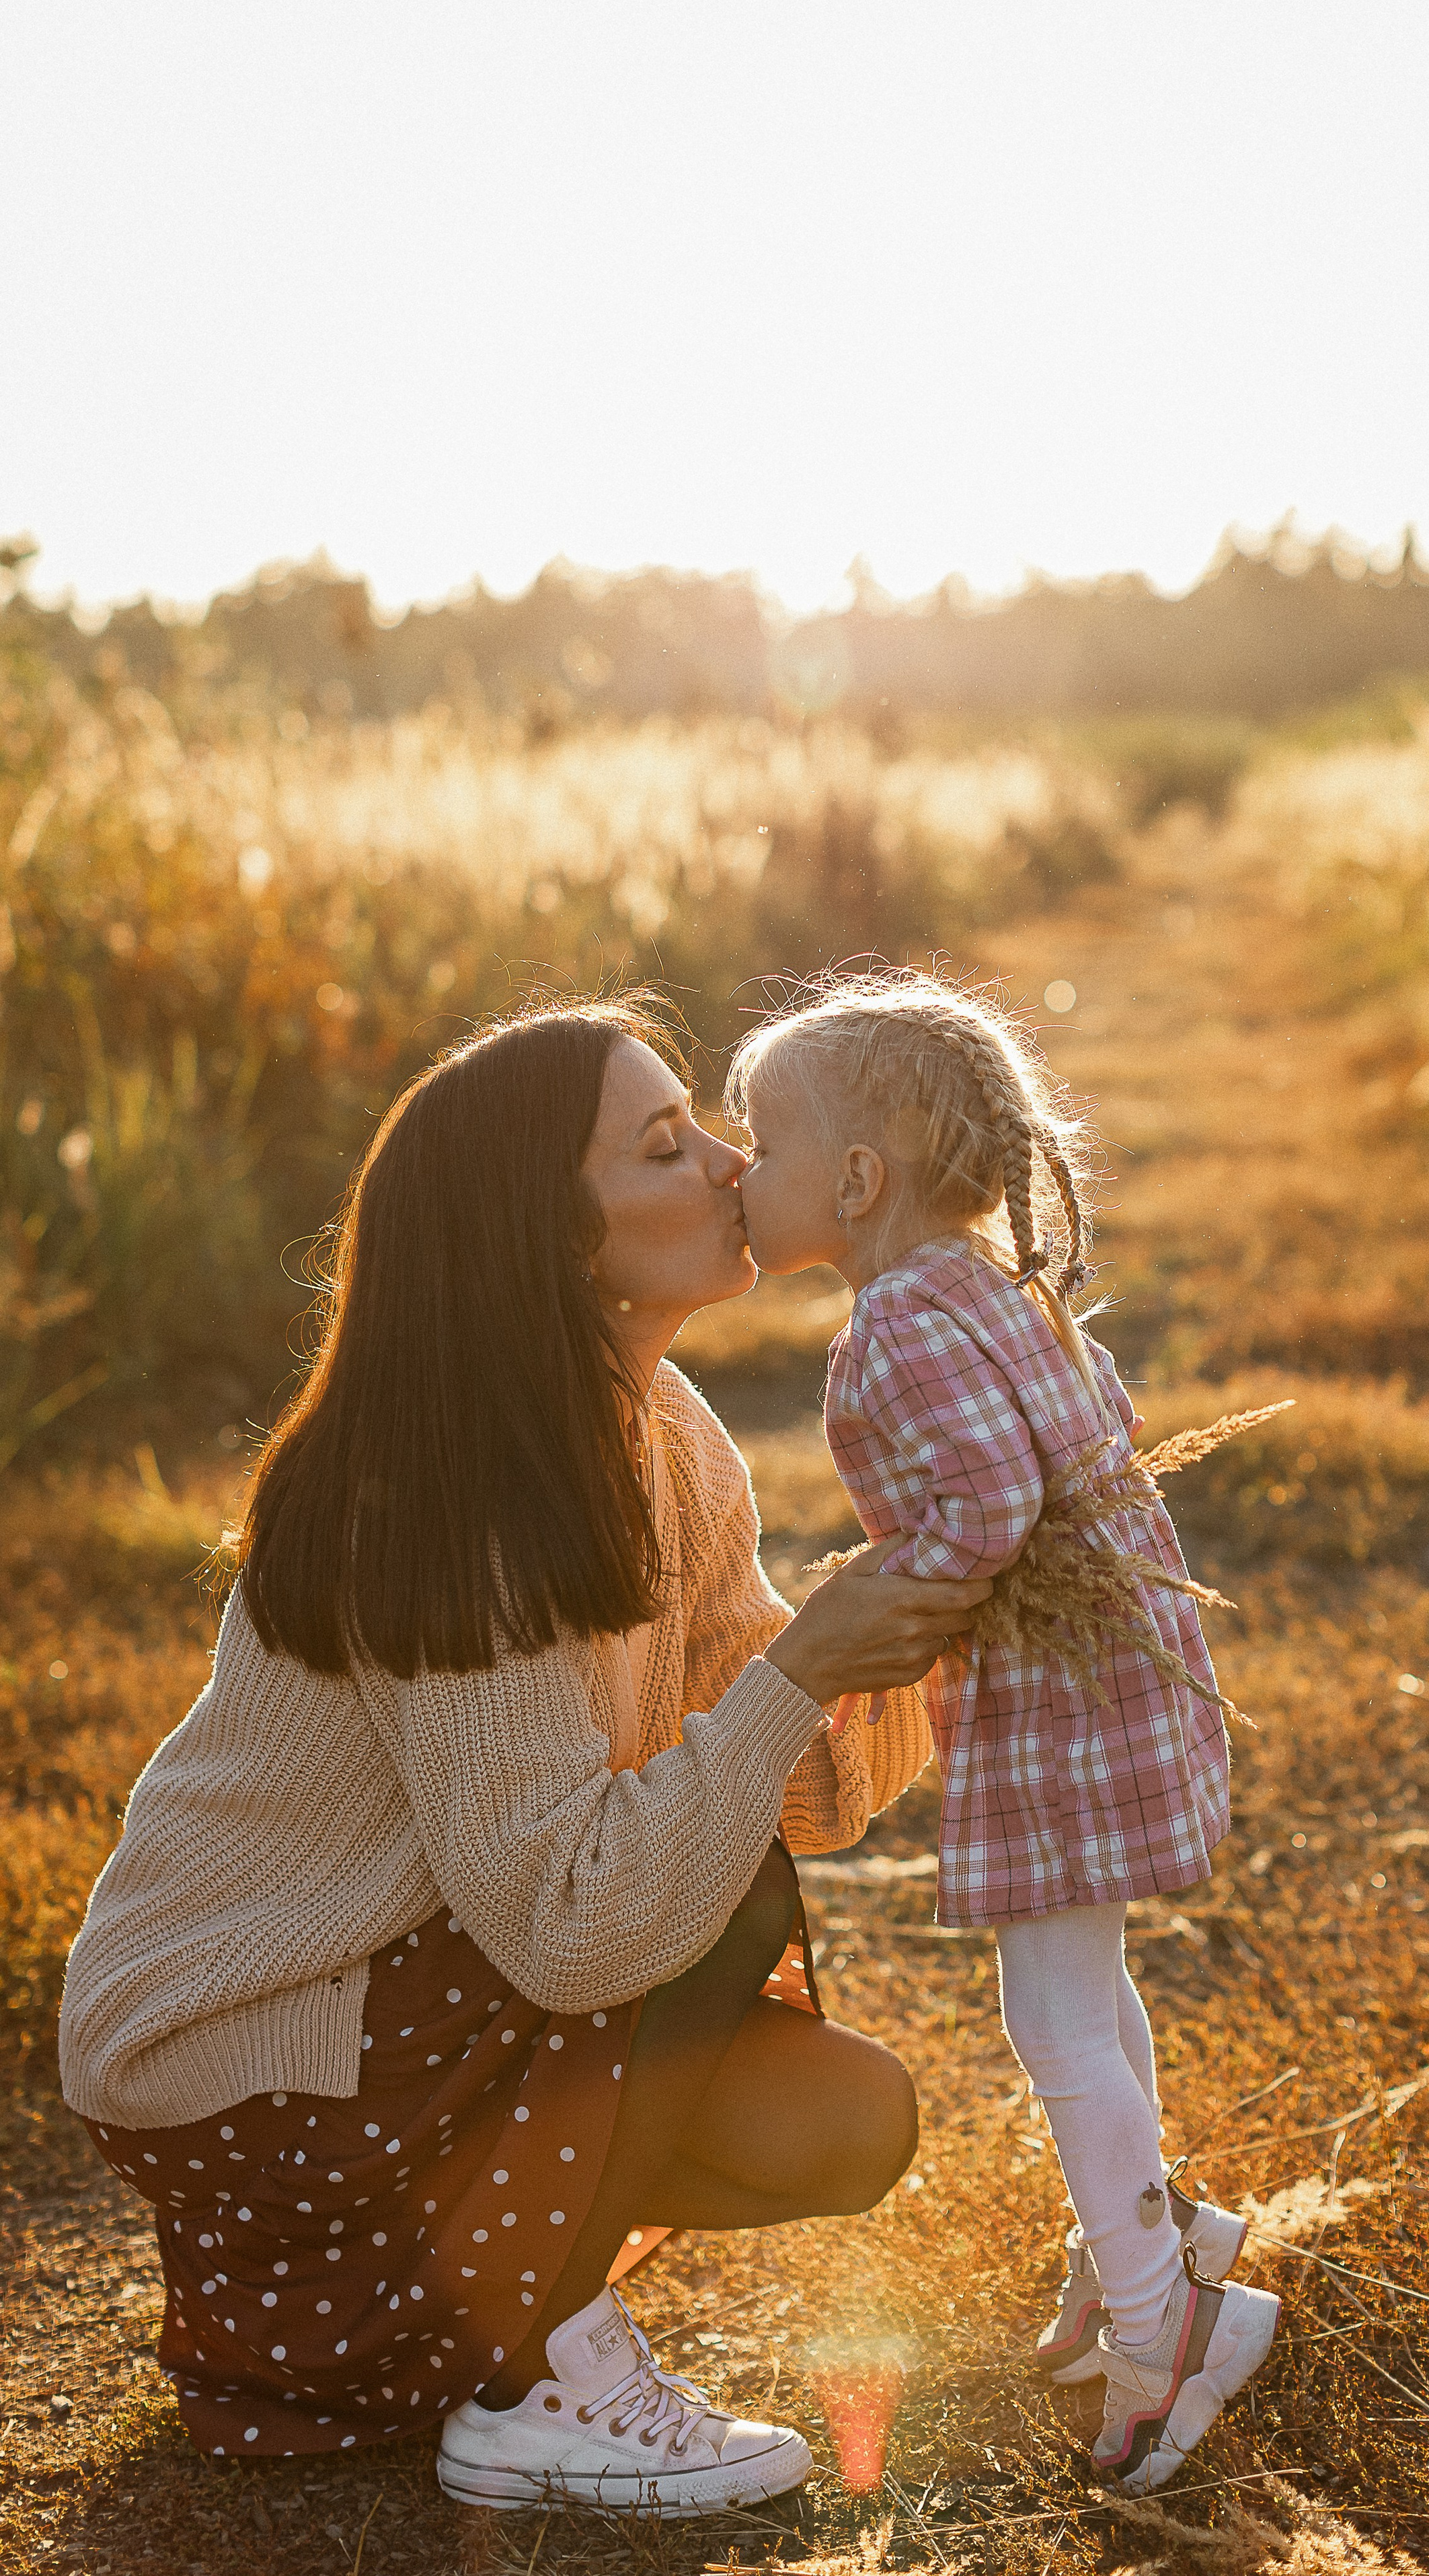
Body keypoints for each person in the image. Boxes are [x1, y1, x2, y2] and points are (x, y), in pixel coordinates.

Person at [59, 999, 989, 2521]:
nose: (730, 1160)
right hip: (237, 2045)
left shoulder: (666, 1433)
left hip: (423, 1985)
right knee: (720, 1896)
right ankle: (529, 2390)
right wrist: (804, 1667)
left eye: (703, 1126)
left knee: (847, 2114)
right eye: (663, 1144)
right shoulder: (448, 1494)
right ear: (552, 1241)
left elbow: (795, 1781)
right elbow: (572, 1921)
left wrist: (947, 1607)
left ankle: (460, 2318)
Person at [730, 971, 1280, 2495]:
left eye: (753, 1142)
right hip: (1104, 1664)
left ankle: (1168, 2319)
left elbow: (983, 1506)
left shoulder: (894, 1328)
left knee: (1046, 2016)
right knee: (1082, 1984)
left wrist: (864, 1621)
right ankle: (1151, 2242)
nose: (733, 1172)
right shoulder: (985, 1286)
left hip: (1050, 1695)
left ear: (855, 1182)